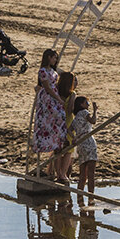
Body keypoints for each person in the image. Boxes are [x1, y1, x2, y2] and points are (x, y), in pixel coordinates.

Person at [33, 49, 71, 181]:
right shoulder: (43, 71)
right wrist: (58, 98)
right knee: (56, 115)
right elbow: (47, 87)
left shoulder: (52, 71)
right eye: (53, 58)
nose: (55, 60)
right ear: (48, 58)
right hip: (48, 97)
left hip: (53, 94)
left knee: (60, 116)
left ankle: (59, 139)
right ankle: (53, 141)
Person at [70, 95, 98, 203]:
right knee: (91, 174)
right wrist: (95, 111)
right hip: (89, 143)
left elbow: (69, 129)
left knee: (83, 175)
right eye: (86, 102)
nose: (88, 105)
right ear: (81, 104)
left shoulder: (76, 117)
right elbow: (93, 121)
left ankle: (79, 198)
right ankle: (91, 197)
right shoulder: (84, 113)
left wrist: (74, 138)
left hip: (81, 145)